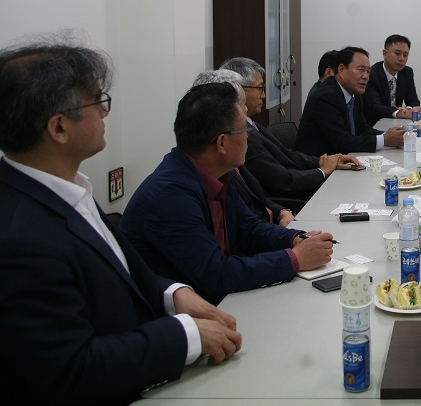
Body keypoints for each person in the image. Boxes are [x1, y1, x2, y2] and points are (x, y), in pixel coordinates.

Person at [0, 38, 241, 404]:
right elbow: (71, 368)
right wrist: (186, 336)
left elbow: (118, 275)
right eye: (97, 101)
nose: (104, 112)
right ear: (59, 128)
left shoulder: (69, 187)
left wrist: (174, 295)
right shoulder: (19, 237)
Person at [121, 83, 335, 305]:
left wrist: (294, 238)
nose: (248, 137)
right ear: (222, 143)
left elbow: (249, 227)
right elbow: (215, 274)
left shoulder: (216, 172)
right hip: (184, 314)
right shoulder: (170, 197)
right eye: (244, 131)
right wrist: (294, 259)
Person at [220, 58, 359, 200]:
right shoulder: (244, 137)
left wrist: (323, 161)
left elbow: (289, 156)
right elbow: (282, 181)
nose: (264, 95)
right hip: (291, 200)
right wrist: (322, 171)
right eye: (260, 87)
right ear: (239, 90)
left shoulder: (253, 125)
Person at [193, 68, 293, 225]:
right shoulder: (190, 189)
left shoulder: (225, 165)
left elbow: (256, 205)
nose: (245, 111)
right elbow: (244, 231)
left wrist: (282, 214)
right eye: (241, 105)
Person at [295, 46, 405, 155]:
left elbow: (362, 129)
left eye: (368, 71)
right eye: (361, 70)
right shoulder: (326, 97)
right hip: (317, 163)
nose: (366, 76)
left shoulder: (354, 93)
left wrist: (391, 135)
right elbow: (341, 142)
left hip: (342, 158)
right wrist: (384, 140)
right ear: (341, 70)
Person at [363, 34, 421, 124]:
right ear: (385, 53)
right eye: (397, 53)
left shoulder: (407, 72)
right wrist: (399, 113)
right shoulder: (372, 74)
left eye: (405, 55)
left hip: (396, 123)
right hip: (374, 124)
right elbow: (375, 106)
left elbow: (413, 100)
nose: (401, 58)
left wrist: (409, 109)